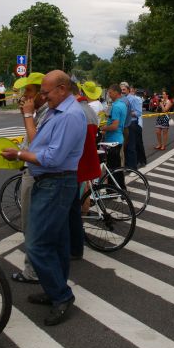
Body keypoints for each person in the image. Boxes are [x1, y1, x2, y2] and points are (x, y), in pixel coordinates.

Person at [1, 70, 86, 326]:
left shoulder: (70, 115)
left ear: (62, 88)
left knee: (37, 244)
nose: (43, 96)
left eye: (46, 92)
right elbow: (39, 144)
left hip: (56, 183)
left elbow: (52, 158)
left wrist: (18, 155)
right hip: (51, 182)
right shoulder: (57, 110)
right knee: (58, 241)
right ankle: (54, 291)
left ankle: (61, 295)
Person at [7, 73, 48, 284]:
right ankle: (36, 268)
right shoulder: (40, 112)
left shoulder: (44, 114)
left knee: (31, 225)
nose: (25, 95)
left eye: (29, 91)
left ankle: (32, 271)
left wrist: (27, 115)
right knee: (32, 224)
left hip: (35, 174)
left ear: (41, 93)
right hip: (31, 172)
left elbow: (37, 145)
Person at [69, 83, 101, 260]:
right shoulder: (89, 110)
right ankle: (76, 244)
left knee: (71, 208)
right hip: (88, 161)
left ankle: (75, 247)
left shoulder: (75, 111)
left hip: (77, 164)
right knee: (76, 206)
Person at [101, 84, 127, 187]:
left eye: (110, 92)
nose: (109, 94)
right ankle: (119, 188)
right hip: (118, 139)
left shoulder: (116, 106)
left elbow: (115, 126)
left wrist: (103, 128)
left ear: (116, 92)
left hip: (113, 140)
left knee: (112, 168)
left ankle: (113, 189)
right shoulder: (122, 104)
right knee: (117, 167)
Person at [120, 83, 142, 169]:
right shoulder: (121, 99)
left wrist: (127, 113)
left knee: (131, 147)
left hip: (132, 124)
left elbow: (138, 113)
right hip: (123, 124)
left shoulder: (133, 99)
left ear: (128, 90)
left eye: (124, 89)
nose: (122, 91)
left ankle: (133, 168)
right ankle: (126, 165)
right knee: (124, 146)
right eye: (121, 90)